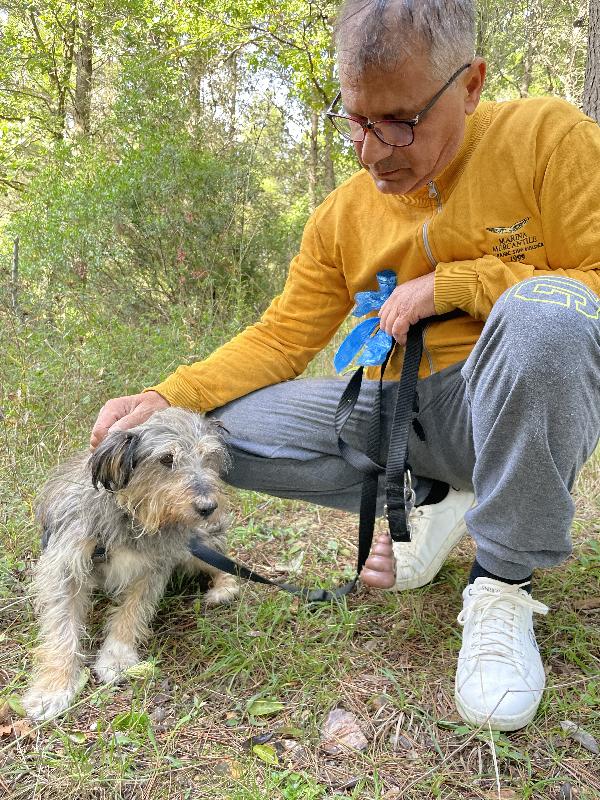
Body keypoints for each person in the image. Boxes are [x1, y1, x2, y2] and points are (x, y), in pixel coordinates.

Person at [90, 0, 600, 731]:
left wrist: (457, 284)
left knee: (549, 316)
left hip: (501, 399)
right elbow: (280, 339)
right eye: (354, 120)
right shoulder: (341, 214)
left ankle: (502, 581)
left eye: (399, 121)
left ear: (470, 85)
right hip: (397, 413)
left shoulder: (549, 138)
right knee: (215, 433)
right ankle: (432, 495)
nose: (371, 150)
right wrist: (165, 396)